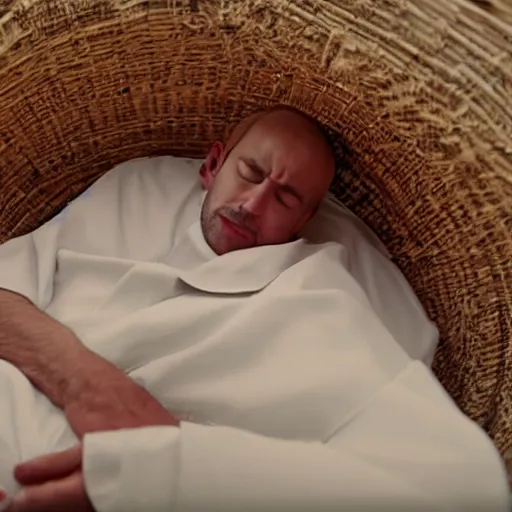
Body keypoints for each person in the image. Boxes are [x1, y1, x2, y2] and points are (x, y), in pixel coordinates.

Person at [0, 107, 508, 512]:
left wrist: (172, 471)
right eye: (250, 172)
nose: (254, 204)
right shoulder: (132, 197)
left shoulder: (315, 292)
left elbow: (455, 485)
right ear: (212, 165)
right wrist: (87, 380)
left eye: (285, 198)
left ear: (305, 222)